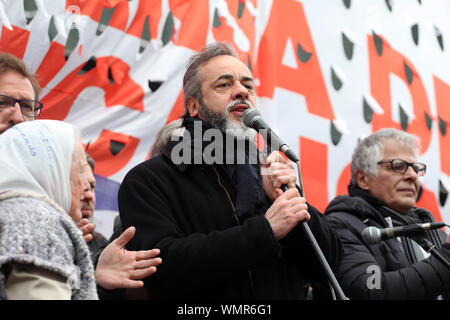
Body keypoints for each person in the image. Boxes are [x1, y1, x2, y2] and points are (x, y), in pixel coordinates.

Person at [118, 42, 342, 299]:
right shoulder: (149, 180)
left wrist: (286, 196)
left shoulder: (266, 175)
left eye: (248, 86)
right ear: (194, 106)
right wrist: (265, 231)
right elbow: (160, 268)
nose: (241, 92)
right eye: (224, 85)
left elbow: (330, 267)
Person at [0, 120, 162, 299]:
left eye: (91, 185)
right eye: (77, 170)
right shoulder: (38, 221)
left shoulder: (13, 213)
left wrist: (92, 278)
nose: (84, 186)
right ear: (52, 172)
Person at [323, 128, 450, 299]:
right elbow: (371, 290)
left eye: (416, 168)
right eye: (398, 166)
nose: (412, 175)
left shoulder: (432, 232)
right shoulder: (340, 225)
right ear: (363, 179)